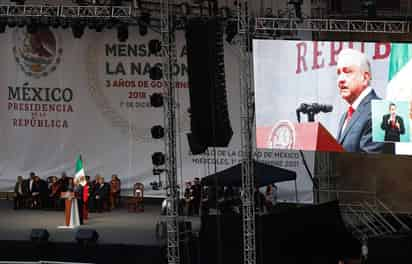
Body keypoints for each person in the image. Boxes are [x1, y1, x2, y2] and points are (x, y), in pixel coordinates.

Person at [336, 48, 384, 153]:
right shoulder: (345, 116)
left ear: (365, 78)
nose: (340, 79)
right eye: (338, 73)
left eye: (347, 72)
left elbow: (374, 163)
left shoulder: (381, 111)